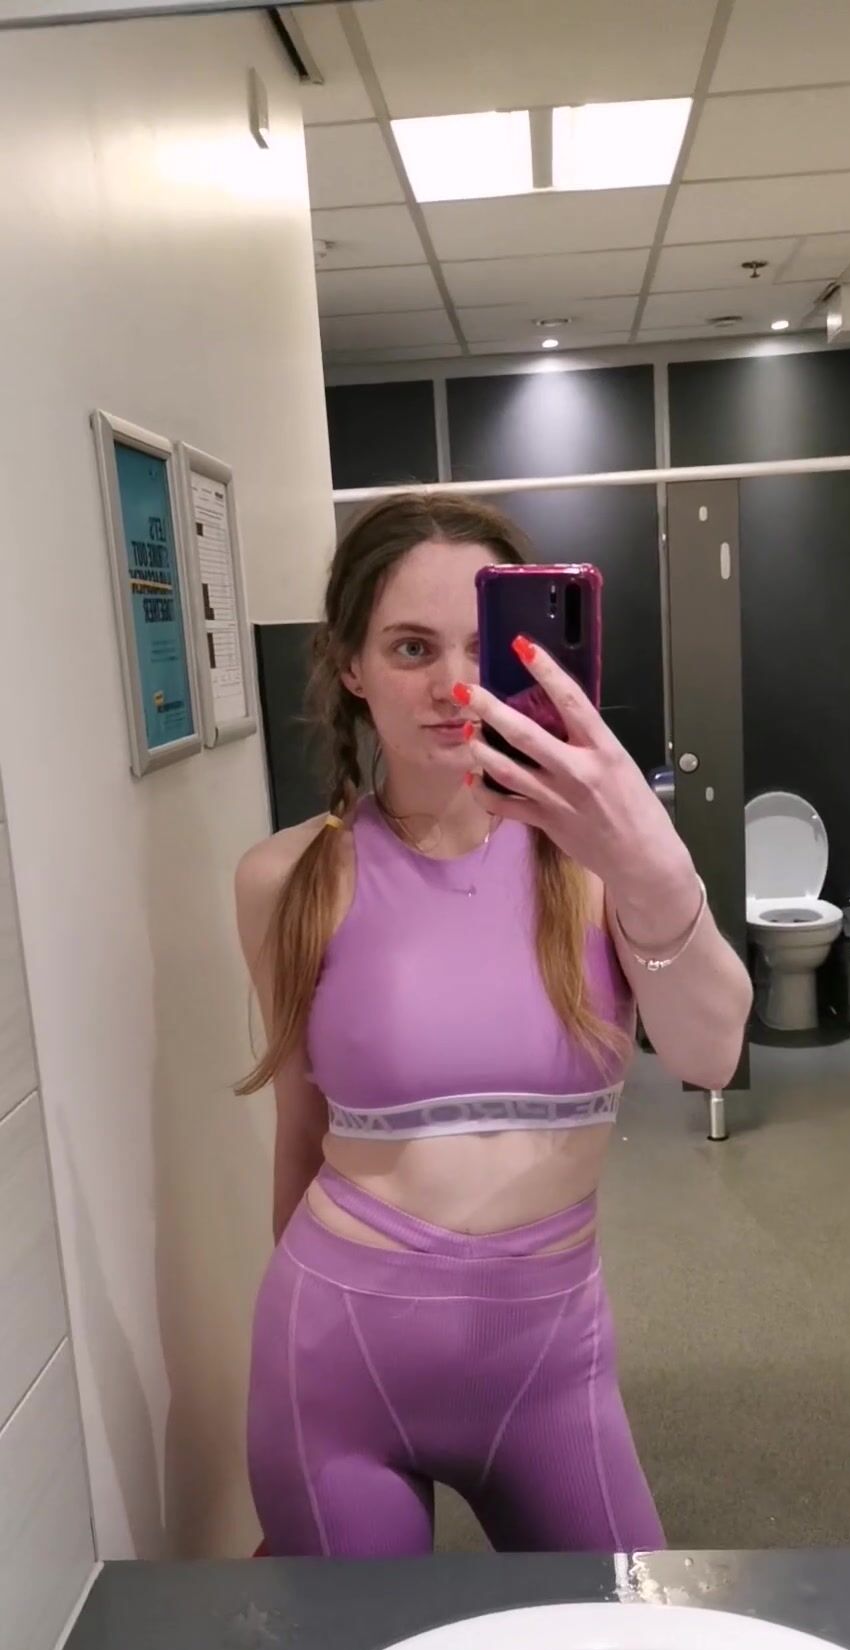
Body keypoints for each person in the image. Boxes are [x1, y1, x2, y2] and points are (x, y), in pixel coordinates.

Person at [235, 493, 753, 1558]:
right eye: (410, 647)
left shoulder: (600, 864)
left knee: (622, 1638)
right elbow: (299, 1127)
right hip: (337, 1359)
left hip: (551, 1362)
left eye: (487, 647)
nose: (452, 684)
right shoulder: (286, 879)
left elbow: (712, 1054)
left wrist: (653, 866)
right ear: (350, 666)